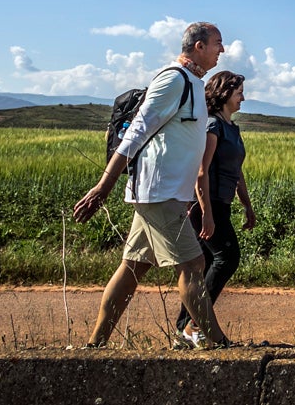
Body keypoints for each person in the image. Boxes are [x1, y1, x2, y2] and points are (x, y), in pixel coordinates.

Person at [72, 22, 230, 349]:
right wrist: (105, 185)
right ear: (198, 46)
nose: (222, 50)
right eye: (218, 42)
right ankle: (217, 344)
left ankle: (95, 344)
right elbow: (137, 132)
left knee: (132, 268)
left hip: (164, 191)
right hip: (159, 191)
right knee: (193, 264)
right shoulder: (174, 79)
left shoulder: (192, 84)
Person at [174, 71, 259, 346]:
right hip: (207, 205)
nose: (243, 97)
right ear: (225, 94)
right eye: (239, 92)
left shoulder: (231, 127)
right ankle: (194, 325)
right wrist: (206, 212)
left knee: (208, 263)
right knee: (227, 258)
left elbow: (238, 171)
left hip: (222, 203)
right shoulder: (213, 126)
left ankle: (184, 328)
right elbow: (202, 172)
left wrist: (247, 204)